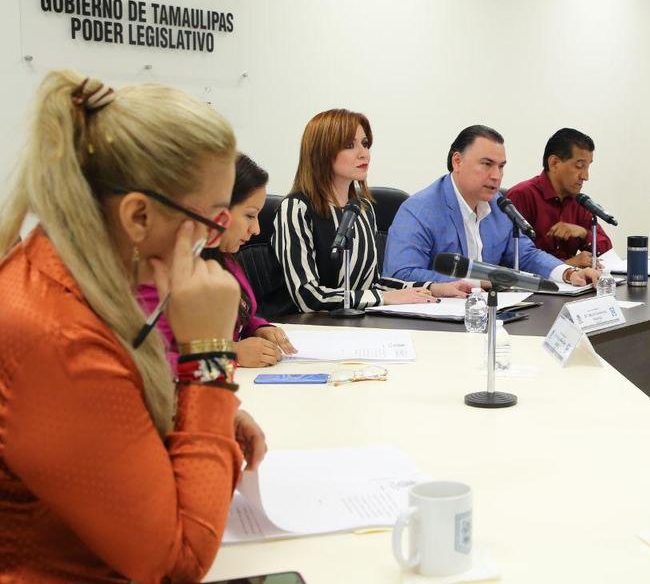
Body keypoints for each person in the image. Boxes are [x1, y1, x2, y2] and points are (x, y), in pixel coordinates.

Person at [0, 71, 266, 581]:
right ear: (138, 216)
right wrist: (210, 359)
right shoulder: (59, 339)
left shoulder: (72, 273)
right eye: (213, 220)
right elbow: (177, 562)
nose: (214, 240)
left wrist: (193, 415)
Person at [273, 109, 473, 312]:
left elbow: (372, 285)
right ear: (322, 152)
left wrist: (433, 288)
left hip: (353, 322)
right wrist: (384, 298)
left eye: (365, 143)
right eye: (350, 145)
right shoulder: (296, 208)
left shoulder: (362, 209)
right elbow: (307, 296)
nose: (364, 153)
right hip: (303, 325)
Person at [383, 125, 602, 286]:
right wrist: (477, 283)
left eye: (501, 166)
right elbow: (400, 274)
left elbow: (526, 254)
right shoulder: (419, 210)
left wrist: (568, 273)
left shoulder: (499, 205)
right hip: (435, 320)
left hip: (493, 312)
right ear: (457, 161)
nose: (496, 176)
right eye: (487, 164)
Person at [137, 153, 297, 367]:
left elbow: (239, 316)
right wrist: (228, 353)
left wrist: (258, 327)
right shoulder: (158, 274)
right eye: (249, 215)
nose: (257, 229)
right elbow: (151, 361)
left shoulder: (223, 258)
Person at [506, 127, 613, 267]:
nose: (586, 176)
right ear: (554, 163)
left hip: (574, 280)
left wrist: (583, 233)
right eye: (579, 165)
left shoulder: (579, 202)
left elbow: (607, 251)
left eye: (588, 166)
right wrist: (566, 265)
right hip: (536, 281)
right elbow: (512, 259)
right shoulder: (522, 195)